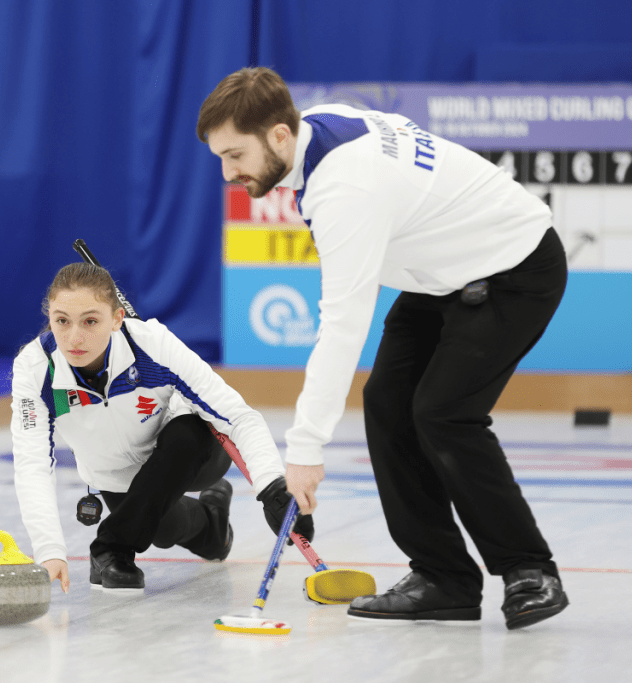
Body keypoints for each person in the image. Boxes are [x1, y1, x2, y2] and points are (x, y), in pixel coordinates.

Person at [197, 67, 569, 629]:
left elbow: (343, 324)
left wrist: (305, 450)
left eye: (235, 155)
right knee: (388, 404)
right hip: (440, 274)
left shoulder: (345, 188)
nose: (228, 173)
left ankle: (529, 571)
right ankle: (442, 578)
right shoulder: (320, 128)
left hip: (513, 265)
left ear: (278, 135)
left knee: (444, 414)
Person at [10, 262, 313, 592]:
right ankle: (213, 525)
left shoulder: (152, 344)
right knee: (166, 531)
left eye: (90, 321)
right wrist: (49, 550)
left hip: (191, 452)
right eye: (62, 321)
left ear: (117, 319)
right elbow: (32, 464)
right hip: (116, 475)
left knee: (186, 436)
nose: (74, 337)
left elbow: (238, 416)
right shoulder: (35, 369)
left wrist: (272, 487)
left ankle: (111, 548)